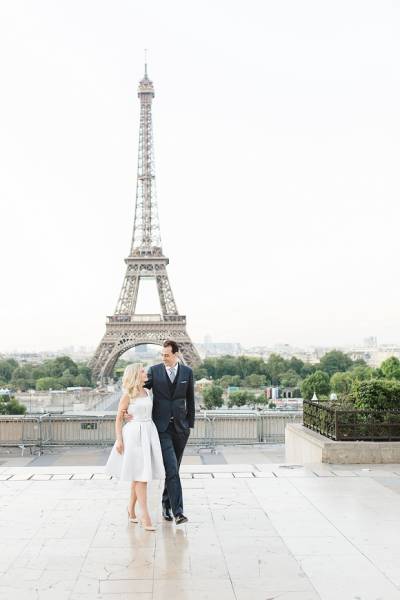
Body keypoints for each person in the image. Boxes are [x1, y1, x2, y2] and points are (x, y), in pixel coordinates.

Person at [124, 340, 195, 525]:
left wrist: (189, 424)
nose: (163, 357)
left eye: (167, 355)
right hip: (161, 428)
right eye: (162, 355)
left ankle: (165, 504)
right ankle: (179, 513)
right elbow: (137, 392)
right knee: (171, 468)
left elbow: (190, 400)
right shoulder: (154, 371)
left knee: (174, 469)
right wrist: (126, 411)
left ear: (176, 354)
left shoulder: (187, 372)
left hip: (181, 428)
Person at [105, 363, 165, 531]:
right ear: (135, 374)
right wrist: (119, 440)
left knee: (138, 474)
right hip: (133, 435)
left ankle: (130, 509)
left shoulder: (147, 391)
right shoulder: (127, 395)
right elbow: (118, 418)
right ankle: (145, 515)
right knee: (141, 476)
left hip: (148, 432)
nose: (146, 372)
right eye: (142, 371)